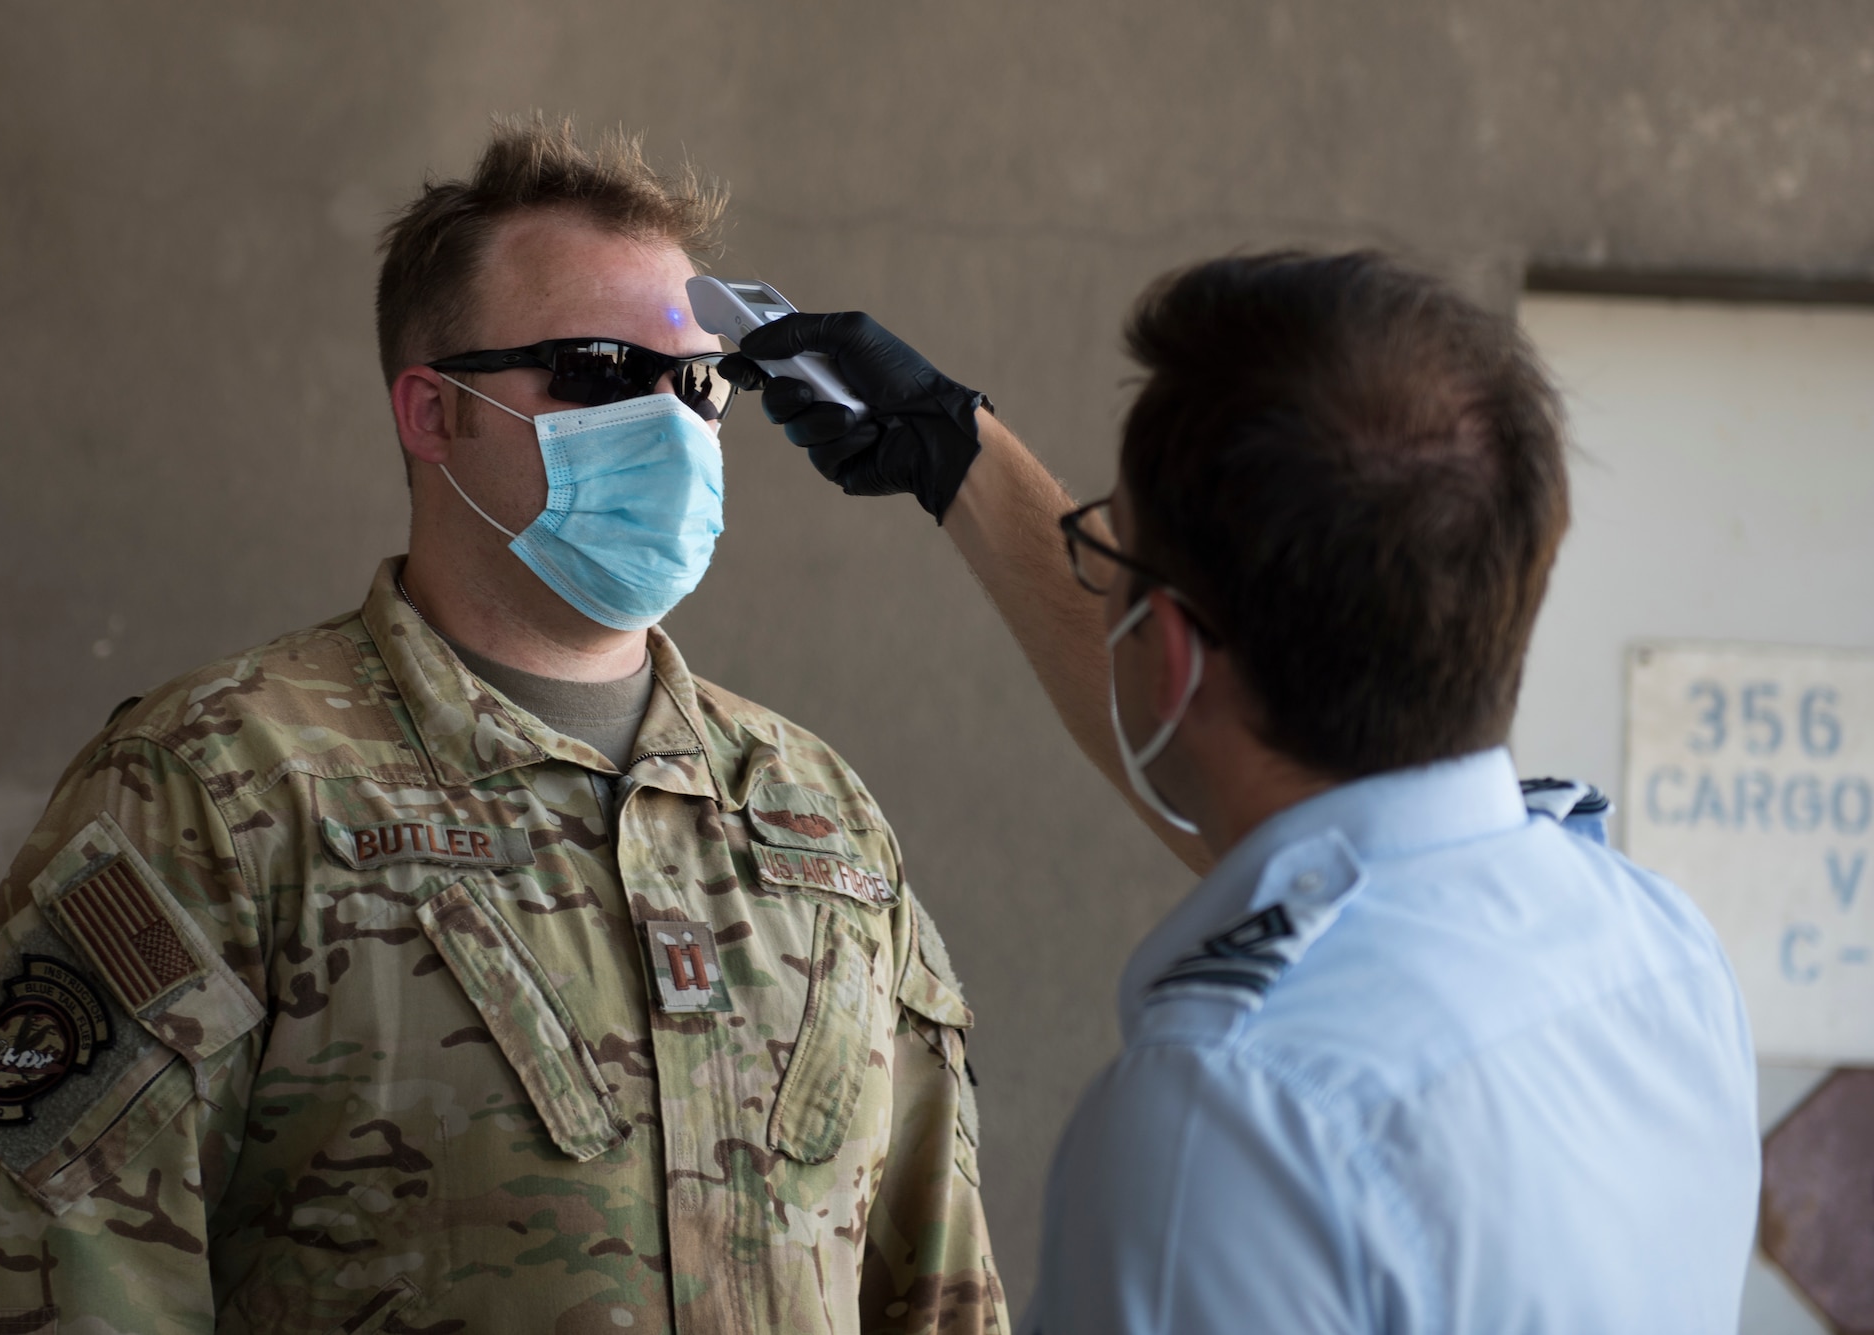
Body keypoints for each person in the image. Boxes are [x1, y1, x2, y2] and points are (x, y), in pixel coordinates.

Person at [0, 115, 1005, 1334]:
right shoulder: (216, 789)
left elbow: (942, 1289)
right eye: (601, 371)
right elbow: (82, 1285)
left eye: (701, 384)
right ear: (431, 413)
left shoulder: (815, 813)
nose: (670, 424)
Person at [725, 251, 1760, 1331]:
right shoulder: (1660, 950)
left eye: (1102, 557)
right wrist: (953, 452)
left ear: (1166, 653)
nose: (1097, 581)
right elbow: (1300, 819)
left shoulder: (1221, 1123)